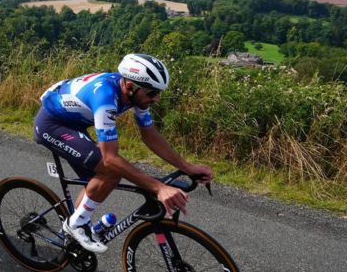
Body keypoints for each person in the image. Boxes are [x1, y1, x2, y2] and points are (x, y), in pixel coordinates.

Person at [35, 53, 214, 254]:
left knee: (98, 178)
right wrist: (159, 188)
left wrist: (187, 167)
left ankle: (74, 231)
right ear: (129, 86)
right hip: (52, 125)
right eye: (152, 93)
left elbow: (149, 135)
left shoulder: (136, 94)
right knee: (110, 171)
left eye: (158, 93)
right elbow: (111, 158)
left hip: (75, 124)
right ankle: (75, 225)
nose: (156, 98)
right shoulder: (105, 98)